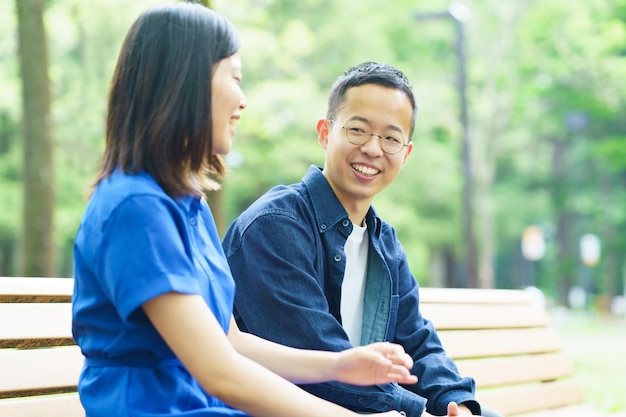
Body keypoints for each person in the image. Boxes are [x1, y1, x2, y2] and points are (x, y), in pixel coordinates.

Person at [71, 4, 418, 417]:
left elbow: (231, 342)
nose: (243, 99)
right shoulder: (134, 209)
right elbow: (221, 373)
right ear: (186, 83)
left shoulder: (187, 205)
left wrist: (339, 365)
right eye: (233, 78)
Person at [222, 62, 500, 417]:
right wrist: (418, 412)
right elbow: (322, 364)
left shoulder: (384, 242)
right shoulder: (275, 227)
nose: (372, 149)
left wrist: (455, 402)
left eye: (391, 138)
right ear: (324, 132)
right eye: (358, 130)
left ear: (406, 153)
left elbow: (418, 342)